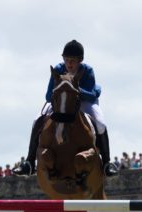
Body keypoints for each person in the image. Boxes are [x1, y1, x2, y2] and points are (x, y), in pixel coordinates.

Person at [12, 40, 118, 177]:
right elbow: (48, 95)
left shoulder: (88, 70)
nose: (69, 64)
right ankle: (29, 163)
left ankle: (106, 163)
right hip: (60, 101)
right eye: (66, 60)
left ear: (80, 60)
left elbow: (91, 96)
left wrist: (75, 90)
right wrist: (63, 91)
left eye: (73, 60)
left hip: (84, 102)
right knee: (36, 120)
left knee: (101, 123)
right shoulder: (58, 69)